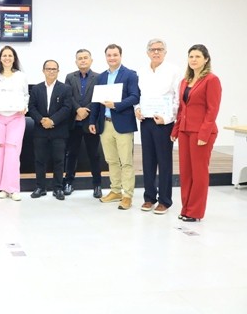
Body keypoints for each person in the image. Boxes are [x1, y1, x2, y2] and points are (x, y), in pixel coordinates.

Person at [171, 44, 221, 222]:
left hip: (201, 133)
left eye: (197, 56)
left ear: (206, 59)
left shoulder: (211, 80)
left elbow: (212, 110)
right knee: (186, 172)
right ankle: (186, 208)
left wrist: (204, 134)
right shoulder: (185, 81)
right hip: (185, 131)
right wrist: (176, 129)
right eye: (191, 56)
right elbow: (181, 109)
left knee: (199, 173)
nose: (193, 59)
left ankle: (195, 211)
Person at [89, 44, 140, 210]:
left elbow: (135, 96)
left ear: (120, 56)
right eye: (109, 55)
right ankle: (115, 190)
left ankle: (127, 195)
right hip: (105, 124)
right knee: (111, 160)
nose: (112, 58)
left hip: (123, 125)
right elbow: (96, 101)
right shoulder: (101, 77)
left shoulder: (130, 75)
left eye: (115, 55)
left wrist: (116, 105)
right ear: (106, 57)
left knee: (126, 162)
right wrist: (92, 121)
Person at [135, 39, 181, 215]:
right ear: (147, 52)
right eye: (152, 50)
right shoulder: (142, 71)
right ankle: (149, 198)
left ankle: (164, 200)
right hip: (146, 121)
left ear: (165, 52)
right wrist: (137, 109)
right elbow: (138, 95)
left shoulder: (173, 71)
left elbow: (177, 98)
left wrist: (169, 117)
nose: (156, 52)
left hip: (164, 122)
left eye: (160, 49)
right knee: (148, 161)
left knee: (164, 161)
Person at [0, 46, 29, 201]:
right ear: (0, 58)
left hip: (16, 118)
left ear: (14, 58)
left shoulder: (21, 76)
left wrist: (25, 106)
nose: (7, 58)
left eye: (10, 55)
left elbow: (26, 95)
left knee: (12, 153)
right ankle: (3, 188)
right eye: (4, 55)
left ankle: (14, 188)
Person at [28, 60, 72, 200]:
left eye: (54, 69)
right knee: (40, 160)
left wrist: (52, 120)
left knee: (59, 160)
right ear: (43, 70)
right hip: (40, 130)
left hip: (58, 130)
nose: (51, 71)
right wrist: (42, 120)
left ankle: (57, 188)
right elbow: (32, 108)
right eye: (48, 69)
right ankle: (40, 187)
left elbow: (67, 108)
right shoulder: (36, 89)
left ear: (58, 71)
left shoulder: (65, 88)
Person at [64, 49, 103, 198]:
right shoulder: (69, 77)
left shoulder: (99, 77)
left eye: (85, 58)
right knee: (71, 153)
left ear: (91, 60)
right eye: (80, 58)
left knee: (94, 155)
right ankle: (68, 182)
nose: (83, 60)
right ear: (76, 61)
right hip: (74, 121)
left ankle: (97, 185)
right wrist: (78, 110)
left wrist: (86, 110)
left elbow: (98, 98)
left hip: (91, 121)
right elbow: (68, 96)